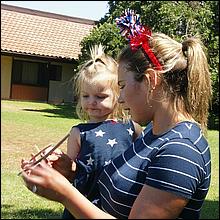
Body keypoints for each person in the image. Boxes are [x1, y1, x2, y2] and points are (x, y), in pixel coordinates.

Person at [21, 9, 212, 219]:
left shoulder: (181, 152)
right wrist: (72, 171)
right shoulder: (154, 133)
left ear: (150, 81)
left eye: (122, 86)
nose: (119, 99)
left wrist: (65, 194)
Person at [21, 44, 142, 219]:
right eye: (86, 96)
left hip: (118, 203)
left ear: (117, 95)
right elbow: (72, 172)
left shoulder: (131, 126)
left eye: (100, 97)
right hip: (85, 200)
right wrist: (53, 165)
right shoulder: (78, 132)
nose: (92, 102)